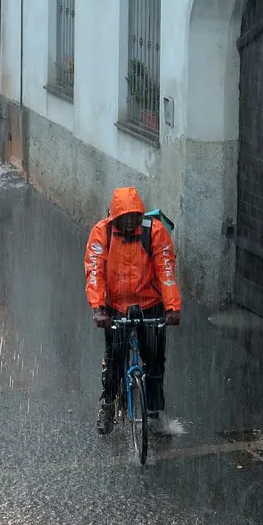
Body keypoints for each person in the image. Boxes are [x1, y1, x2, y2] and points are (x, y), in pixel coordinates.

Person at [84, 186, 182, 436]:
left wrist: (172, 307)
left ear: (140, 216)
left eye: (134, 217)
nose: (130, 223)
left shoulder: (155, 232)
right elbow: (94, 271)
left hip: (150, 304)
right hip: (115, 307)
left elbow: (165, 270)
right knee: (115, 359)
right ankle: (107, 403)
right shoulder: (101, 233)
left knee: (155, 361)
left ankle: (155, 411)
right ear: (115, 217)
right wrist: (98, 308)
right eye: (124, 218)